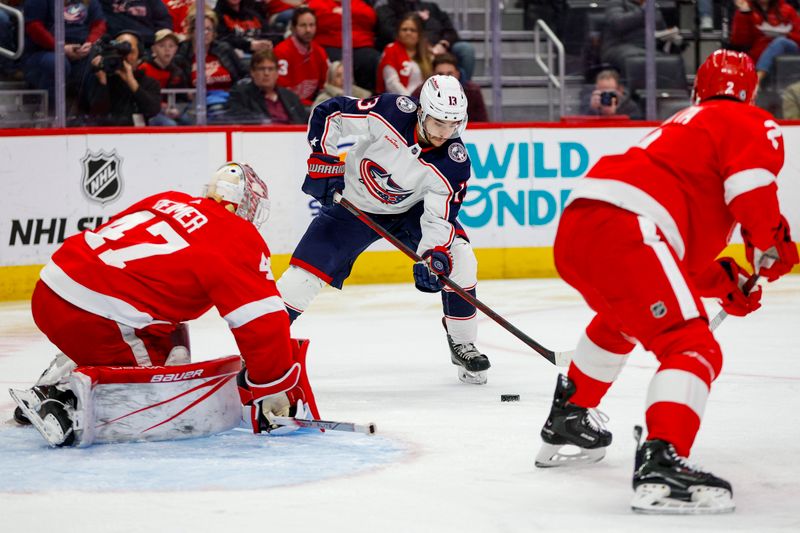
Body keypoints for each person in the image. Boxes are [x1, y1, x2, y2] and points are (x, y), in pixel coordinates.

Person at [534, 50, 798, 514]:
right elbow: (752, 195)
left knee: (623, 320)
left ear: (698, 87)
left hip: (583, 224)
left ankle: (571, 416)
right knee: (692, 346)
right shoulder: (750, 121)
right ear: (751, 90)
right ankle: (662, 461)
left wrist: (725, 280)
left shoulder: (684, 125)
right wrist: (770, 248)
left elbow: (677, 261)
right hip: (630, 225)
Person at [11, 162, 319, 446]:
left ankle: (63, 368)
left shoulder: (168, 199)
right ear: (247, 204)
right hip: (98, 320)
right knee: (157, 402)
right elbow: (261, 321)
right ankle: (65, 401)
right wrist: (271, 388)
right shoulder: (235, 234)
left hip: (50, 290)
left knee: (169, 333)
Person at [276, 75, 492, 385]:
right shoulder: (391, 110)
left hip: (410, 213)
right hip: (353, 203)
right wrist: (323, 158)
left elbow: (438, 219)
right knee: (301, 279)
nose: (445, 133)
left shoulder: (454, 163)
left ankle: (462, 343)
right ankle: (262, 346)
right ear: (420, 112)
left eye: (453, 125)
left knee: (461, 259)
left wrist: (434, 255)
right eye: (437, 123)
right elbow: (331, 112)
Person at [22, 0, 107, 112]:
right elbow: (33, 27)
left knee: (99, 63)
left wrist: (89, 44)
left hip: (80, 50)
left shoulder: (90, 2)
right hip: (43, 52)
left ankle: (89, 119)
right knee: (58, 63)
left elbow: (99, 23)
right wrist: (61, 48)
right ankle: (51, 115)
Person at [376, 0, 476, 82]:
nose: (408, 31)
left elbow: (451, 31)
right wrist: (423, 46)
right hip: (412, 52)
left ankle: (463, 93)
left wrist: (443, 44)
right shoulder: (387, 10)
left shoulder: (432, 8)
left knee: (465, 50)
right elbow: (390, 34)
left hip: (439, 51)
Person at [176, 7, 247, 121]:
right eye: (201, 29)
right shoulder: (182, 53)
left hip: (229, 100)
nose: (206, 33)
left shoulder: (224, 49)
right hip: (197, 104)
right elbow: (177, 84)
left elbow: (245, 74)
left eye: (209, 29)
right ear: (191, 31)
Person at [88, 30, 161, 126]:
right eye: (119, 51)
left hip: (137, 136)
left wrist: (131, 82)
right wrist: (102, 83)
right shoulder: (102, 77)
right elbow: (96, 114)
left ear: (139, 55)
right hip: (106, 135)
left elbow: (153, 111)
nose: (124, 57)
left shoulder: (149, 83)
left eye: (130, 52)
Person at [307, 0, 380, 92]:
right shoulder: (318, 2)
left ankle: (369, 97)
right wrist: (353, 17)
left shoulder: (357, 2)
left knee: (372, 59)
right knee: (334, 64)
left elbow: (370, 18)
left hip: (360, 44)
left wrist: (345, 12)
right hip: (330, 44)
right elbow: (322, 21)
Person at [227, 49, 308, 124]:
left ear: (277, 73)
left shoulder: (291, 97)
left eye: (271, 69)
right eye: (261, 69)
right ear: (252, 72)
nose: (266, 73)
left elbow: (304, 124)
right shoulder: (240, 95)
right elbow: (239, 118)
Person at [601, 0, 681, 77]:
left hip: (648, 48)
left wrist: (671, 37)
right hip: (619, 45)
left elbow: (661, 29)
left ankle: (666, 90)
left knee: (671, 61)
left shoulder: (652, 6)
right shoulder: (616, 3)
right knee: (641, 58)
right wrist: (644, 11)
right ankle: (637, 89)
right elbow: (618, 24)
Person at [730, 0, 800, 84]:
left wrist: (787, 34)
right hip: (760, 52)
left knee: (780, 41)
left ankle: (757, 79)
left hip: (788, 49)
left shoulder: (787, 10)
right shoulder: (747, 10)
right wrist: (744, 14)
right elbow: (739, 41)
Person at [273, 6, 329, 108]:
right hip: (287, 106)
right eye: (303, 25)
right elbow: (282, 92)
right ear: (293, 28)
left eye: (311, 25)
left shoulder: (319, 52)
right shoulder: (281, 52)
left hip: (311, 106)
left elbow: (325, 86)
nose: (308, 30)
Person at [412, 52, 488, 123]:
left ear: (457, 74)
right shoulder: (421, 91)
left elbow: (481, 123)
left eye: (450, 74)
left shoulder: (473, 91)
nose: (445, 78)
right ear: (433, 74)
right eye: (440, 74)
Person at [138, 28, 191, 126]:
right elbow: (141, 97)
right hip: (150, 112)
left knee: (189, 120)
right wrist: (161, 107)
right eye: (162, 46)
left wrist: (178, 110)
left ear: (176, 49)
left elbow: (183, 98)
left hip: (172, 111)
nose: (167, 50)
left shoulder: (177, 72)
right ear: (154, 49)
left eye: (171, 46)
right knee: (170, 125)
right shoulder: (144, 69)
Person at [376, 12, 432, 95]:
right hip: (398, 101)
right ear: (398, 32)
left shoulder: (427, 52)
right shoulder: (391, 50)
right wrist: (411, 102)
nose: (408, 33)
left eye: (413, 30)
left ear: (419, 34)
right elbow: (391, 84)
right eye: (404, 29)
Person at [99, 0, 173, 47]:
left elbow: (164, 23)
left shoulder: (152, 2)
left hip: (147, 46)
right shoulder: (104, 3)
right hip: (114, 44)